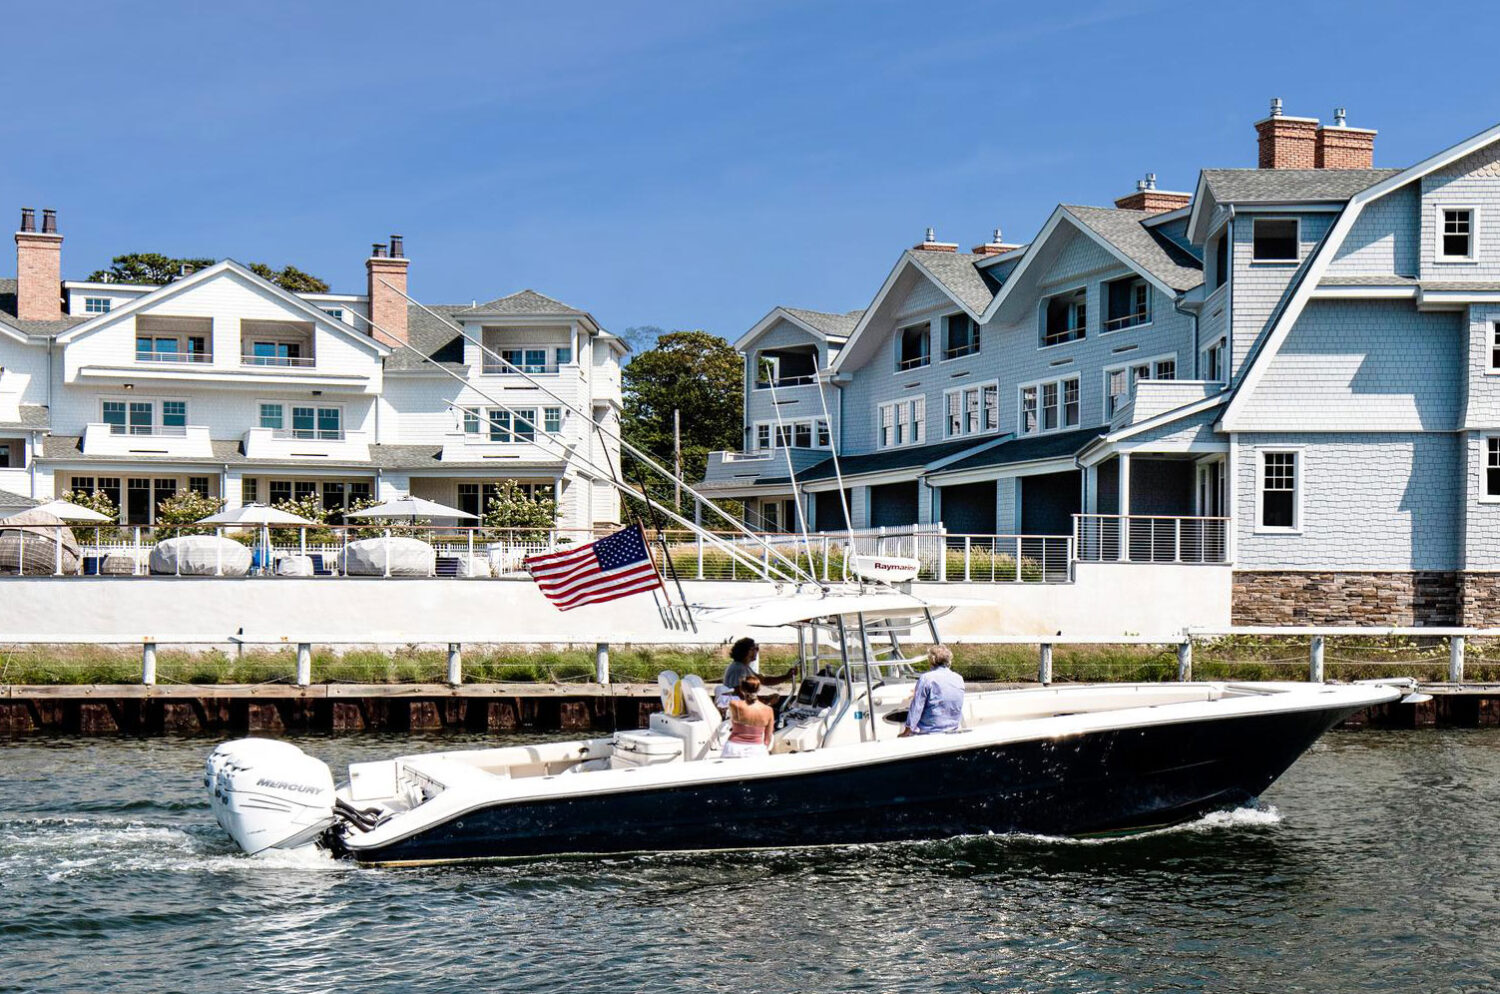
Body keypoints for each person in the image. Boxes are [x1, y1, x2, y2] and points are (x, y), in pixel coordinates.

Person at [899, 645, 965, 736]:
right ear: (949, 660)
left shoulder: (926, 678)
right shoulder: (959, 678)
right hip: (953, 730)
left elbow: (916, 708)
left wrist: (906, 731)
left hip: (930, 732)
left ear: (931, 660)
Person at [714, 637, 795, 709]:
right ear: (746, 651)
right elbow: (741, 694)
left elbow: (764, 680)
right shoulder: (738, 669)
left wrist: (786, 676)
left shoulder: (743, 666)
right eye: (755, 648)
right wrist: (765, 701)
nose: (757, 651)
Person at [722, 673, 775, 759]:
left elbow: (729, 716)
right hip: (757, 750)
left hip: (734, 748)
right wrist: (762, 750)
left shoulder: (734, 704)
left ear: (741, 689)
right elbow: (768, 738)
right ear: (759, 689)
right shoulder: (769, 710)